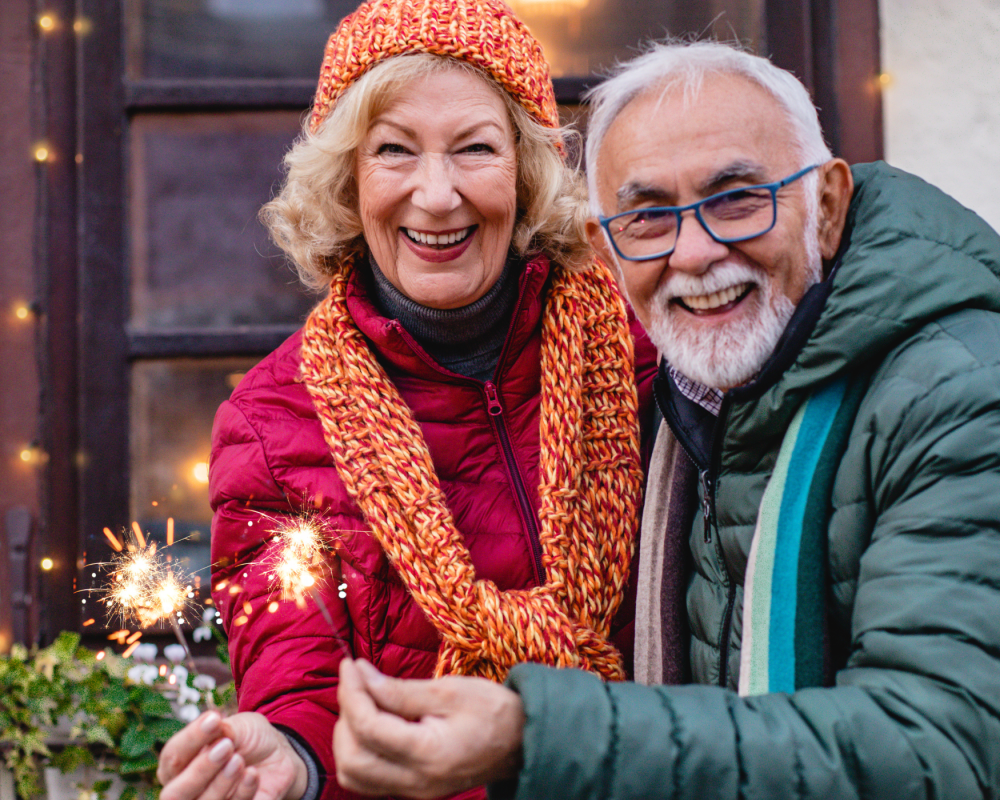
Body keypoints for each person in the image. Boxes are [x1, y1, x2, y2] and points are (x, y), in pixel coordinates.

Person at [331, 40, 1000, 800]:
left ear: (829, 204)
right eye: (648, 218)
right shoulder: (679, 403)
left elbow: (940, 751)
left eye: (738, 198)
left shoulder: (961, 394)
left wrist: (540, 735)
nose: (696, 250)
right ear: (605, 251)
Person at [156, 2, 657, 800]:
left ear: (525, 171)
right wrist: (292, 755)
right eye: (393, 150)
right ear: (348, 181)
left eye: (475, 149)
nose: (436, 195)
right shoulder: (272, 423)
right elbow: (300, 668)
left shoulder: (643, 349)